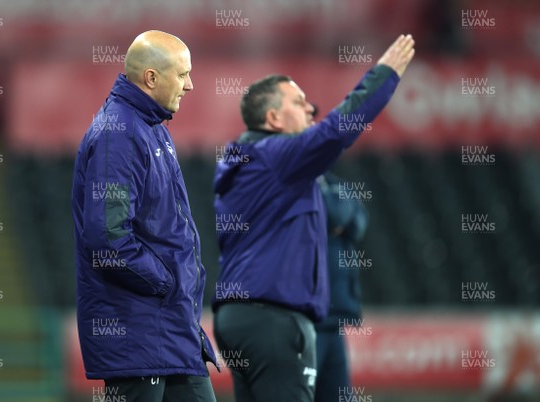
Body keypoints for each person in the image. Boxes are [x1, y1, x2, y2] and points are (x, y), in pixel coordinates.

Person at [212, 34, 415, 402]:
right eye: (299, 103)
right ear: (273, 118)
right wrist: (384, 75)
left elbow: (350, 214)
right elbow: (337, 129)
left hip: (242, 317)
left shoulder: (251, 161)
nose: (311, 110)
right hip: (274, 318)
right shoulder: (277, 157)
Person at [71, 30, 218, 402]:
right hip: (138, 335)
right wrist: (167, 284)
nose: (191, 85)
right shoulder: (119, 134)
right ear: (151, 78)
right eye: (183, 75)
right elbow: (107, 237)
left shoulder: (150, 128)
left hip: (169, 331)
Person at [315, 173, 368, 402]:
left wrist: (335, 216)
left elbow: (359, 221)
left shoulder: (331, 181)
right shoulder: (295, 178)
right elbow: (335, 214)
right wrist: (336, 217)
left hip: (334, 320)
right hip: (308, 319)